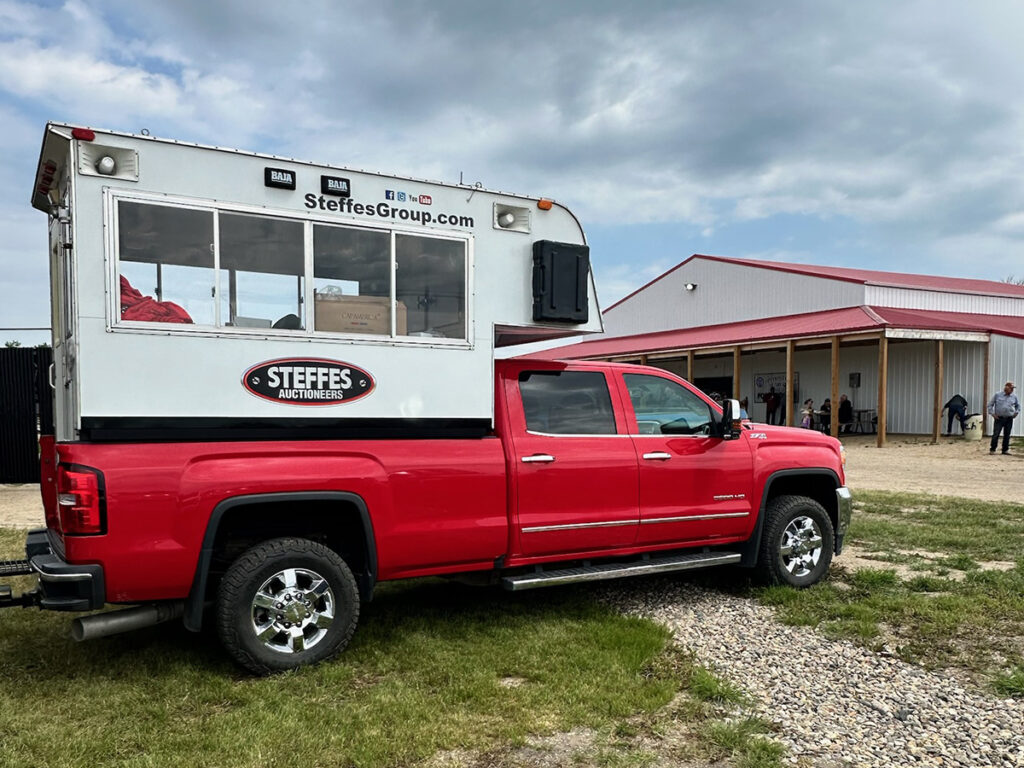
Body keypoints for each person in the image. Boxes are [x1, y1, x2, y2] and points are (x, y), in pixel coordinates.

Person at [988, 382, 1020, 455]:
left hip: (1009, 418)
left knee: (1007, 434)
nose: (1012, 390)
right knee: (996, 434)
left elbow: (1018, 406)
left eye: (1012, 389)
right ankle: (992, 449)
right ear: (1006, 388)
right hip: (999, 418)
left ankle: (1005, 450)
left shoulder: (1014, 397)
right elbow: (990, 405)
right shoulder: (997, 395)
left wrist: (1016, 412)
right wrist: (993, 414)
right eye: (1011, 388)